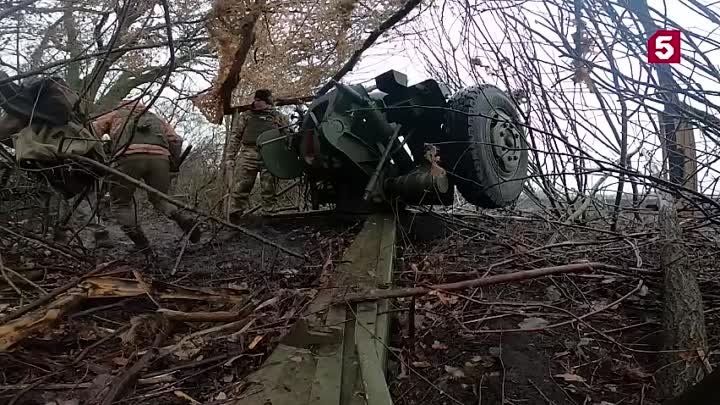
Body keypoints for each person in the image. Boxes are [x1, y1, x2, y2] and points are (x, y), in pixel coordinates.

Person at [91, 100, 202, 252]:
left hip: (127, 158)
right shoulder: (155, 118)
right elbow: (176, 140)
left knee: (121, 203)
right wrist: (173, 165)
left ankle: (142, 244)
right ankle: (184, 219)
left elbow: (93, 130)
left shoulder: (116, 114)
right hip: (160, 159)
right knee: (160, 199)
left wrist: (98, 155)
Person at [224, 89, 289, 222]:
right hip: (248, 153)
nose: (256, 103)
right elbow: (236, 136)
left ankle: (268, 216)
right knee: (241, 186)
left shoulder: (278, 116)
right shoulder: (246, 116)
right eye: (256, 100)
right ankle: (235, 216)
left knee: (269, 188)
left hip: (270, 154)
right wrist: (230, 156)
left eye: (260, 100)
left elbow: (287, 136)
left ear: (267, 102)